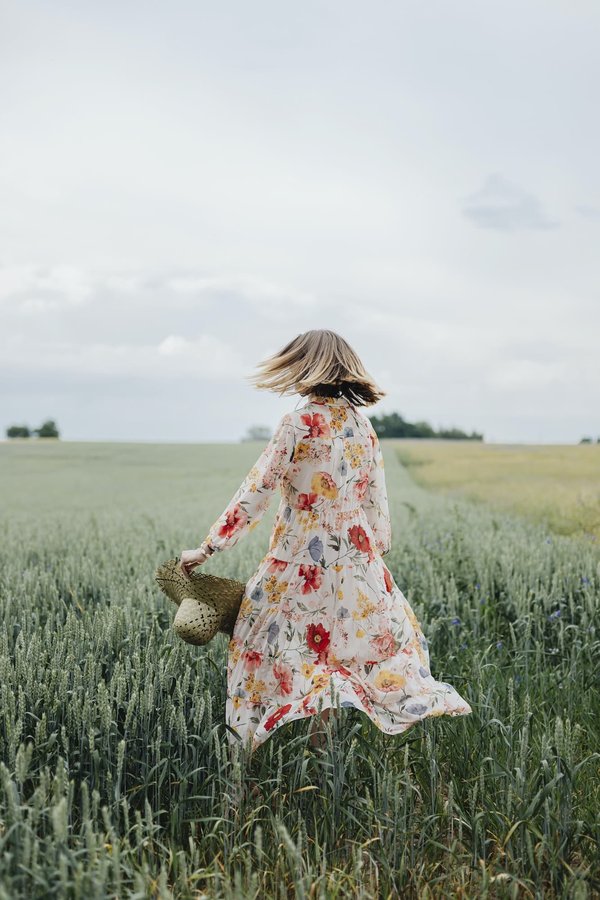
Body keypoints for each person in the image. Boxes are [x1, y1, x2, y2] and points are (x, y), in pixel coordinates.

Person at [180, 329, 472, 756]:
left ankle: (246, 754)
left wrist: (208, 548)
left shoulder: (298, 423)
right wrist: (370, 557)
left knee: (256, 642)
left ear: (306, 367)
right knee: (338, 659)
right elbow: (377, 504)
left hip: (299, 557)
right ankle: (322, 753)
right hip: (357, 563)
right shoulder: (362, 425)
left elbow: (258, 490)